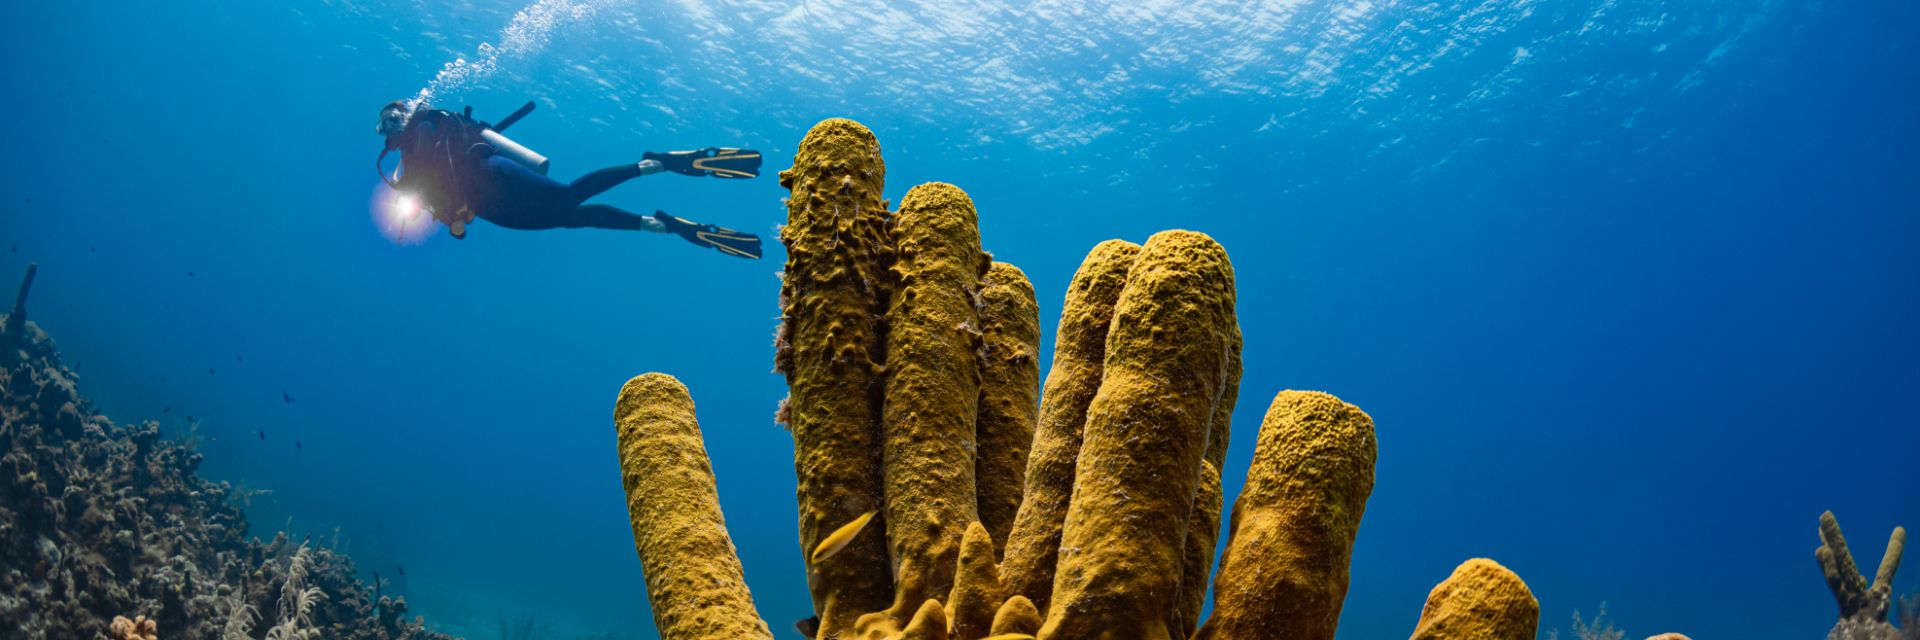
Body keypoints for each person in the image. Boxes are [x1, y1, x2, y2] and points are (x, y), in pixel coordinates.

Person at [375, 100, 763, 259]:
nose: (390, 131)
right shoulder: (406, 168)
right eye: (386, 127)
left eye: (392, 120)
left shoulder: (427, 130)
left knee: (569, 197)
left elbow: (438, 167)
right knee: (571, 216)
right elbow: (449, 216)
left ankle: (661, 163)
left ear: (403, 115)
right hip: (489, 207)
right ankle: (668, 226)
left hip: (490, 174)